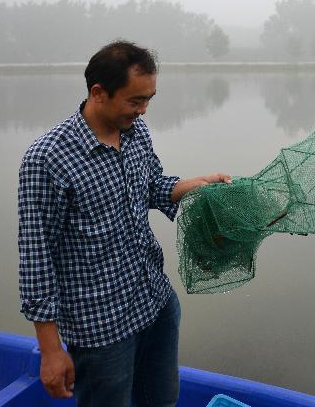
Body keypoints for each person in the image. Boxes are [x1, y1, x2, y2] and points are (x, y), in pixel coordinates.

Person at [18, 41, 231, 406]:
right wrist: (51, 351)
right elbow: (36, 260)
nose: (144, 110)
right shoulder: (47, 159)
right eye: (135, 100)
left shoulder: (136, 134)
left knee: (162, 402)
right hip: (101, 328)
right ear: (98, 92)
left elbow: (150, 188)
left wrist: (194, 184)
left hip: (155, 302)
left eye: (149, 99)